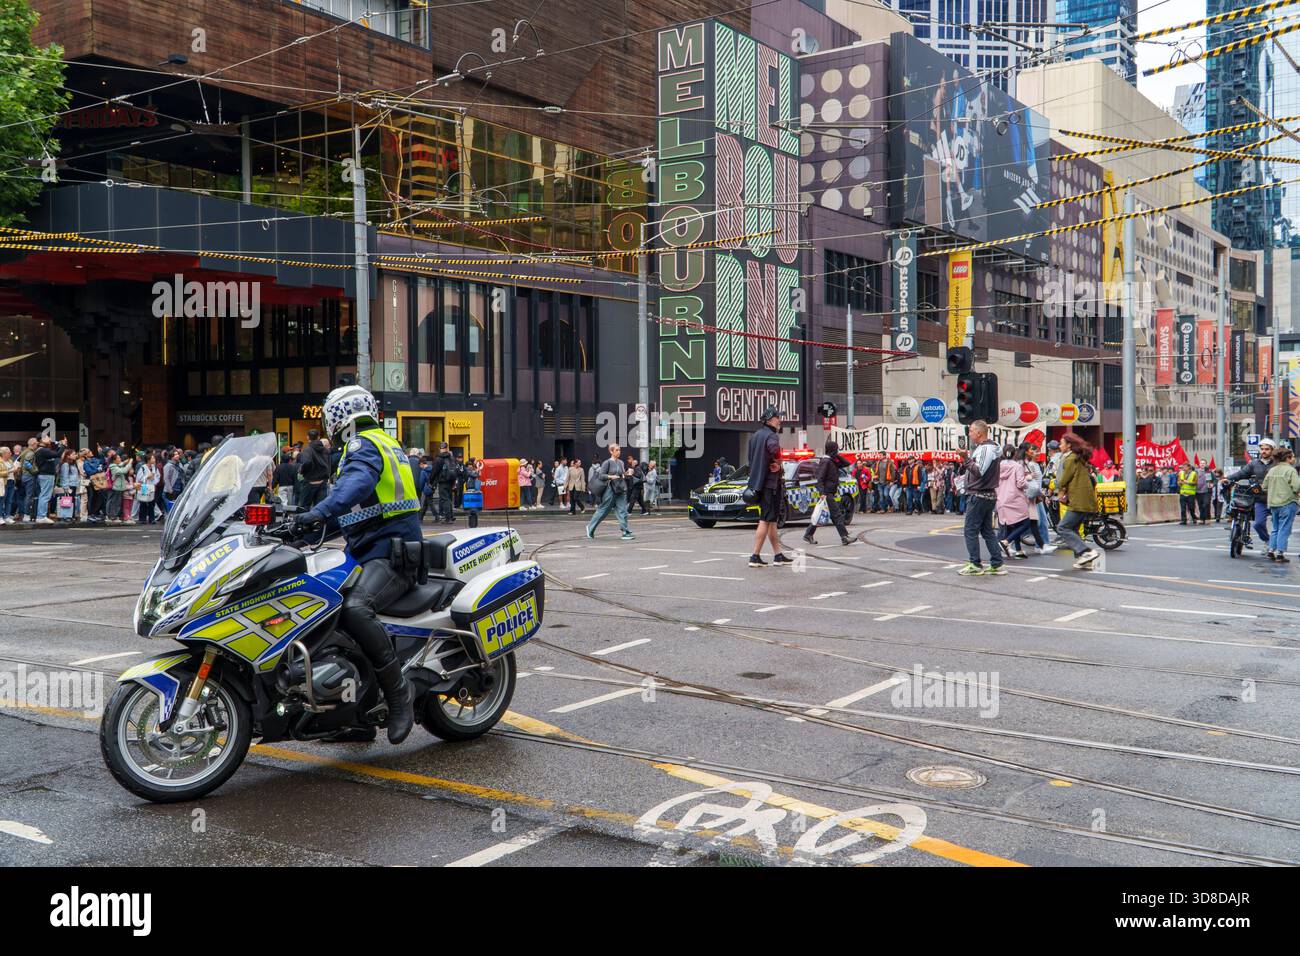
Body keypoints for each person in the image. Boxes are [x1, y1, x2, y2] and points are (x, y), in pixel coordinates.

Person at [290, 384, 422, 745]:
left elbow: (353, 489)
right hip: (373, 550)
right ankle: (355, 717)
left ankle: (399, 695)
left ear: (339, 418)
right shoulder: (382, 441)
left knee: (354, 609)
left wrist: (317, 511)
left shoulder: (363, 446)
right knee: (321, 606)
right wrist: (295, 532)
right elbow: (353, 511)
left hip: (392, 556)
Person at [744, 405, 794, 568]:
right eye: (778, 417)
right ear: (771, 419)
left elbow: (752, 460)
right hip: (770, 484)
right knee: (765, 520)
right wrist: (778, 463)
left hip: (757, 483)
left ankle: (778, 555)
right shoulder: (772, 436)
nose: (780, 420)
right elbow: (774, 450)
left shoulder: (755, 436)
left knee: (771, 520)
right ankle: (754, 556)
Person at [956, 420, 1006, 575]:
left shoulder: (985, 449)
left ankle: (975, 565)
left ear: (979, 433)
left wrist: (965, 458)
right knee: (986, 531)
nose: (969, 434)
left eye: (971, 431)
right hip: (985, 495)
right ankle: (997, 564)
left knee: (970, 530)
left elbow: (979, 471)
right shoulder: (988, 448)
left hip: (979, 495)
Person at [1056, 432, 1103, 569]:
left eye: (1061, 443)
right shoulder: (1079, 458)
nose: (1060, 446)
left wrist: (1058, 488)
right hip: (1084, 499)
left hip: (1078, 499)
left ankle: (1086, 552)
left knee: (1063, 527)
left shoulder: (1070, 458)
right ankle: (1085, 561)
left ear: (1069, 445)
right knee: (1073, 529)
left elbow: (1064, 478)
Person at [1225, 438, 1276, 549]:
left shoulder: (1277, 464)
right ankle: (1267, 541)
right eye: (1262, 449)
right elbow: (1242, 473)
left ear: (1272, 450)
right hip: (1260, 499)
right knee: (1258, 524)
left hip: (1276, 500)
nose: (1264, 451)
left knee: (1279, 526)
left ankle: (1276, 547)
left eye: (1267, 449)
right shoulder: (1254, 463)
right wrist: (1227, 478)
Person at [802, 440, 853, 547]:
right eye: (836, 449)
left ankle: (808, 534)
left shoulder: (831, 460)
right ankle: (844, 537)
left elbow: (846, 463)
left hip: (829, 492)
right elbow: (820, 478)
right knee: (836, 514)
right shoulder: (826, 461)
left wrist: (836, 455)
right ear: (832, 450)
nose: (837, 451)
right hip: (826, 493)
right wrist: (822, 492)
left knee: (821, 514)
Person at [996, 442, 1036, 559]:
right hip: (1015, 499)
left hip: (1001, 499)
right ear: (1014, 454)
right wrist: (1028, 481)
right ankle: (1005, 542)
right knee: (1025, 522)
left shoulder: (998, 466)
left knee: (1014, 525)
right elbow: (1020, 483)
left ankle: (1018, 550)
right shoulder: (1017, 466)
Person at [586, 444, 634, 540]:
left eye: (619, 450)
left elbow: (621, 475)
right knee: (603, 510)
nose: (619, 452)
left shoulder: (621, 462)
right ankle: (590, 527)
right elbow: (601, 476)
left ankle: (625, 531)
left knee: (623, 510)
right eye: (616, 450)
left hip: (620, 489)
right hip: (610, 490)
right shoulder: (607, 463)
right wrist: (611, 476)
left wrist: (627, 474)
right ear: (611, 451)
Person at [1262, 448, 1300, 561]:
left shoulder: (1272, 470)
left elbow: (1264, 486)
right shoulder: (1291, 470)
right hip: (1287, 502)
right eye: (1292, 457)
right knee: (1284, 529)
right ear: (1287, 458)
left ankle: (1270, 550)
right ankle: (1280, 553)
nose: (1293, 459)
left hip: (1273, 503)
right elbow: (1297, 486)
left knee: (1275, 528)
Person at [297, 429, 331, 511]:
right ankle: (318, 523)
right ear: (318, 437)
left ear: (308, 437)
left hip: (310, 481)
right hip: (323, 481)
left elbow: (307, 462)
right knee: (320, 507)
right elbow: (329, 464)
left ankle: (304, 523)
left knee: (304, 507)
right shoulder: (325, 450)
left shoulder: (307, 450)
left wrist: (302, 470)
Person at [430, 442, 457, 524]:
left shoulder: (439, 459)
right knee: (448, 499)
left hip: (443, 481)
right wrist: (454, 483)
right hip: (451, 481)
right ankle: (451, 516)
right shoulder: (451, 458)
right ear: (447, 448)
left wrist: (430, 481)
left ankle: (448, 518)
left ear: (440, 449)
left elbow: (434, 471)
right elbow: (455, 470)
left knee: (445, 499)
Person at [1177, 461, 1200, 525]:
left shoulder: (1194, 473)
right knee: (1183, 508)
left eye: (1184, 466)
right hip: (1183, 493)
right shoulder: (1180, 473)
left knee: (1191, 508)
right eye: (1182, 467)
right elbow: (1178, 482)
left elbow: (1195, 483)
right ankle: (1183, 520)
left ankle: (1194, 518)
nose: (1183, 468)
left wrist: (1188, 482)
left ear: (1189, 467)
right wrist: (1180, 483)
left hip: (1191, 494)